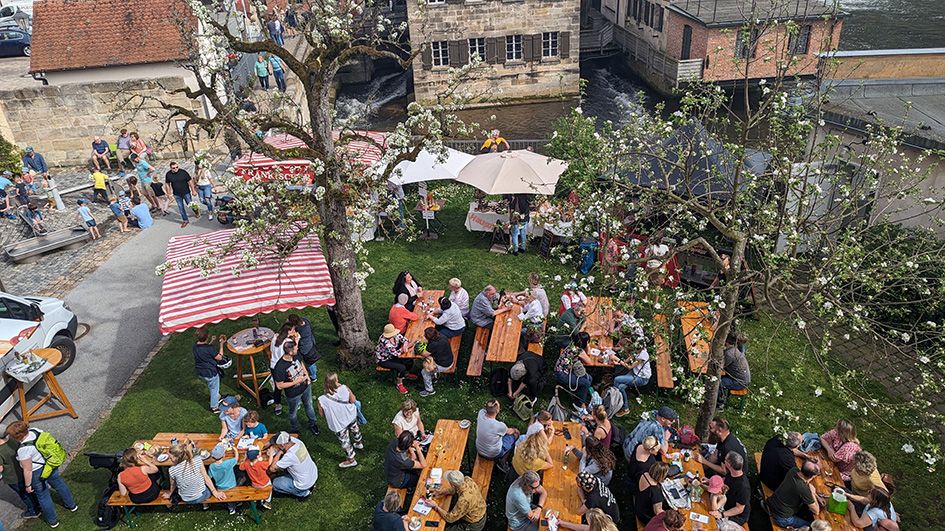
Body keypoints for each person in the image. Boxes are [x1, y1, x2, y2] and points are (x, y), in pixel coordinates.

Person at [6, 422, 77, 528]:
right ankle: (72, 505)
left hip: (37, 473)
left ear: (17, 437)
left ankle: (53, 521)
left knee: (43, 496)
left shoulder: (23, 450)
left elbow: (28, 470)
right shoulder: (36, 431)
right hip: (49, 465)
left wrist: (28, 485)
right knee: (59, 484)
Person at [272, 339, 321, 436]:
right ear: (290, 352)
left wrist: (307, 376)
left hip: (306, 387)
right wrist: (296, 381)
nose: (297, 348)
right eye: (295, 348)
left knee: (309, 405)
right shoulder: (280, 367)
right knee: (293, 413)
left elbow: (301, 364)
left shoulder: (296, 355)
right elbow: (279, 385)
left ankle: (313, 424)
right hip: (293, 394)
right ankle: (295, 429)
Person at [317, 373, 363, 468]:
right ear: (335, 381)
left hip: (338, 422)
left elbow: (321, 415)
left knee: (344, 440)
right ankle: (358, 443)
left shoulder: (321, 399)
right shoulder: (345, 388)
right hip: (350, 415)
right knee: (355, 429)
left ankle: (351, 459)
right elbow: (353, 400)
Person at [163, 439, 225, 507]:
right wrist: (215, 492)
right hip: (203, 495)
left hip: (186, 499)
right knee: (208, 478)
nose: (170, 459)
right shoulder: (197, 460)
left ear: (176, 458)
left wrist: (170, 494)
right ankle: (205, 504)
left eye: (170, 457)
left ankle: (203, 504)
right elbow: (206, 477)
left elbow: (172, 485)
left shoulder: (172, 470)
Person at [767, 461, 822, 529]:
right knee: (812, 526)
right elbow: (816, 511)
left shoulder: (793, 470)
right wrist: (813, 493)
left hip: (773, 503)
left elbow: (805, 481)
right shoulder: (803, 490)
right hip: (782, 518)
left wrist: (815, 493)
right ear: (813, 476)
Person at [0, 429, 38, 519]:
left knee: (23, 494)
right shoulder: (12, 440)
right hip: (22, 470)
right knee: (30, 489)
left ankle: (34, 510)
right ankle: (38, 504)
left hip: (12, 477)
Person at [267, 431, 318, 497]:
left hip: (303, 484)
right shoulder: (298, 442)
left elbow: (272, 468)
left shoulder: (290, 456)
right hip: (312, 473)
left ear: (282, 445)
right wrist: (268, 444)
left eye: (277, 445)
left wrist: (279, 452)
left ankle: (303, 493)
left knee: (275, 484)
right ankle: (311, 485)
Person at [611, 335, 651, 413]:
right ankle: (625, 408)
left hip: (641, 378)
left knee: (616, 380)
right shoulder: (637, 350)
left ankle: (614, 401)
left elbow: (629, 367)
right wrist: (619, 363)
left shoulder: (643, 355)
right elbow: (628, 360)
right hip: (634, 372)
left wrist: (618, 360)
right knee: (621, 387)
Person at [708, 452, 750, 525]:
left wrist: (722, 514)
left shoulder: (743, 487)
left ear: (729, 465)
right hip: (726, 502)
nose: (724, 461)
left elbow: (739, 509)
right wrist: (709, 481)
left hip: (736, 515)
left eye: (725, 460)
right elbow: (725, 481)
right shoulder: (732, 472)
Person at [554, 331, 593, 407]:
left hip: (560, 369)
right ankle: (579, 404)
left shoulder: (571, 345)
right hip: (563, 374)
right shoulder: (579, 351)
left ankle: (580, 395)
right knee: (586, 383)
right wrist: (588, 346)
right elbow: (589, 361)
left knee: (589, 378)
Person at [269, 323, 299, 415]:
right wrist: (296, 341)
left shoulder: (275, 337)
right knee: (289, 384)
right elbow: (292, 352)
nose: (294, 331)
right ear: (288, 331)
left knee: (277, 387)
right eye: (293, 330)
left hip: (273, 365)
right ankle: (294, 403)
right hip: (284, 367)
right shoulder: (288, 342)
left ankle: (278, 405)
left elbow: (271, 350)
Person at [376, 324, 414, 394]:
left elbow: (404, 339)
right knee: (401, 367)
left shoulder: (395, 335)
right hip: (384, 359)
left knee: (409, 360)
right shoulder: (385, 342)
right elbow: (396, 353)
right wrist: (405, 348)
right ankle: (399, 384)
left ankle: (405, 374)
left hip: (392, 355)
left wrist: (405, 344)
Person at [193, 328, 225, 412]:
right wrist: (221, 344)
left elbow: (205, 350)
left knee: (211, 385)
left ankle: (217, 396)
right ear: (207, 337)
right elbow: (219, 357)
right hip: (210, 372)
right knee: (214, 388)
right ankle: (214, 407)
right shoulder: (209, 349)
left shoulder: (195, 346)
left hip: (200, 372)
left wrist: (212, 341)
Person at [507, 331, 546, 400]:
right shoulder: (516, 364)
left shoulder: (531, 370)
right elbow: (510, 377)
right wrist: (510, 391)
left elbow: (525, 382)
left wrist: (515, 393)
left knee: (532, 381)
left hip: (541, 365)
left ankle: (533, 396)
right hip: (530, 356)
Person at [418, 327, 453, 397]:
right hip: (449, 360)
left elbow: (424, 354)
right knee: (428, 361)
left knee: (424, 372)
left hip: (444, 365)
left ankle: (429, 390)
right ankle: (434, 374)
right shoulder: (442, 336)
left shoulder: (434, 344)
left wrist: (418, 344)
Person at [718, 333, 751, 408]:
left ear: (726, 342)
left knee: (719, 383)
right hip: (741, 378)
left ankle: (719, 404)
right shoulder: (734, 349)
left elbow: (720, 367)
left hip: (739, 382)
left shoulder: (730, 354)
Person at [207, 444, 239, 515]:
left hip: (220, 487)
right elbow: (236, 458)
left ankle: (231, 507)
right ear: (223, 455)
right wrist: (235, 450)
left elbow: (209, 477)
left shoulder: (211, 466)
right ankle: (232, 508)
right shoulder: (228, 463)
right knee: (241, 478)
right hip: (232, 486)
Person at [287, 313, 319, 382]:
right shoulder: (305, 320)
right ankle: (314, 370)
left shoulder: (300, 329)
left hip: (305, 348)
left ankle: (313, 376)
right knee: (312, 360)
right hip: (311, 343)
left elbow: (296, 336)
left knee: (309, 363)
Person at [165, 161, 197, 227]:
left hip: (186, 192)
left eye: (177, 167)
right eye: (173, 168)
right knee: (180, 207)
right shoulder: (168, 174)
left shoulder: (183, 172)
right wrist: (169, 193)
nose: (176, 169)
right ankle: (185, 220)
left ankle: (196, 211)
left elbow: (190, 181)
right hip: (177, 194)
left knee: (190, 204)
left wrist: (193, 190)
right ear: (170, 168)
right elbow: (167, 184)